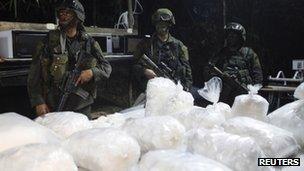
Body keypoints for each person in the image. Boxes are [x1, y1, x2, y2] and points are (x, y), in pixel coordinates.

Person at [27, 0, 112, 118]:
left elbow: (106, 67)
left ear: (78, 16)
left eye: (67, 13)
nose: (63, 16)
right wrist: (38, 102)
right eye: (61, 13)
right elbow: (34, 74)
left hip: (82, 106)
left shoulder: (88, 42)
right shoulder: (50, 41)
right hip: (55, 104)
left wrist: (92, 72)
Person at [133, 8, 193, 94]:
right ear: (155, 24)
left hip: (173, 88)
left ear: (170, 24)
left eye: (164, 24)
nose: (162, 27)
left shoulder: (178, 45)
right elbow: (134, 65)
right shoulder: (146, 44)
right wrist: (144, 71)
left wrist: (186, 89)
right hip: (151, 90)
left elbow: (187, 72)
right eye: (159, 24)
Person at [203, 22, 263, 105]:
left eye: (234, 35)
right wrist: (219, 77)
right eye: (229, 35)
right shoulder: (221, 53)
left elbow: (257, 74)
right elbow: (209, 70)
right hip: (225, 92)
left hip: (243, 91)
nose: (231, 37)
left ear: (240, 37)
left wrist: (255, 90)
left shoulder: (248, 53)